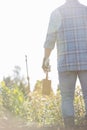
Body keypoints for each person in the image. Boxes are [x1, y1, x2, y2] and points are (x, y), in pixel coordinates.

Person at [42, 0, 87, 129]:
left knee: (67, 97)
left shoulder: (56, 13)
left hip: (65, 62)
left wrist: (45, 58)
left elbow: (50, 39)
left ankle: (70, 127)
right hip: (86, 61)